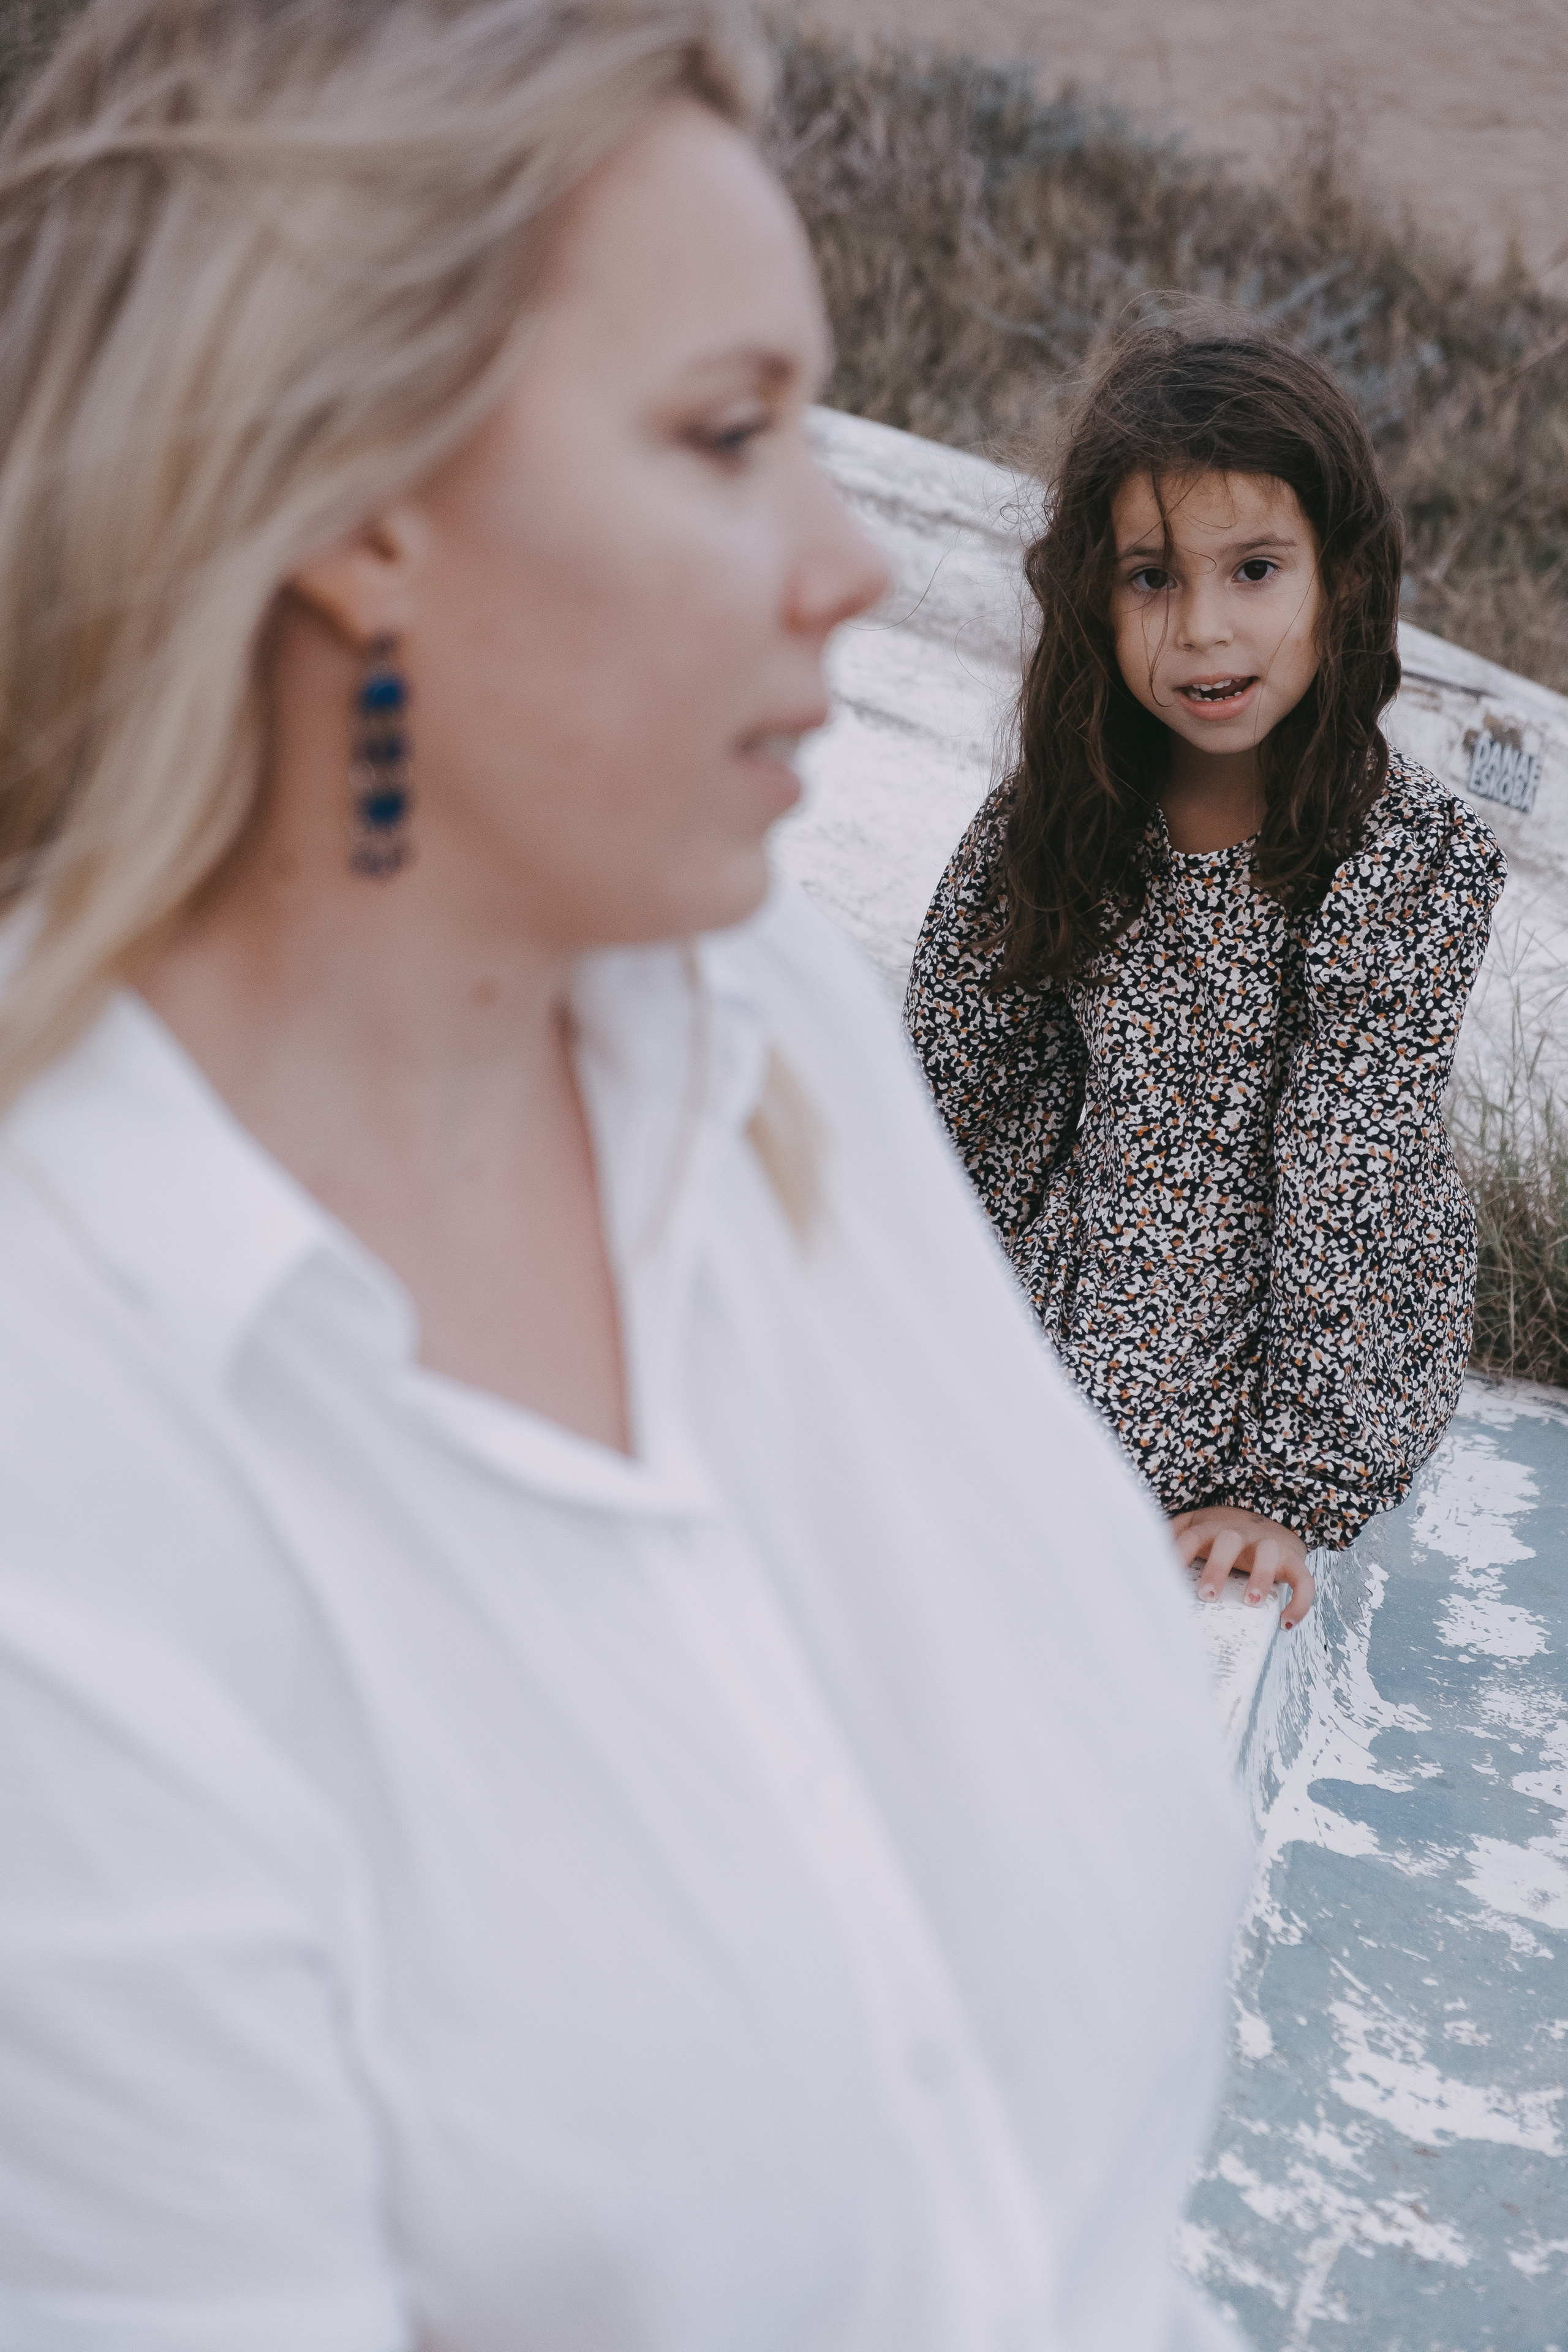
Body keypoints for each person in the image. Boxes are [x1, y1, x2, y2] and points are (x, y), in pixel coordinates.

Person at [0, 6, 1253, 2348]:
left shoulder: (759, 1028)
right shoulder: (68, 1458)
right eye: (725, 437)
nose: (857, 565)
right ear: (359, 499)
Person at [907, 326, 1507, 1635]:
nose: (1202, 629)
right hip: (1090, 1268)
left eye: (1252, 570)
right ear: (1093, 597)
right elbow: (962, 1089)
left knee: (1114, 1447)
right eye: (1149, 579)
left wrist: (1287, 1488)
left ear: (1341, 583)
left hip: (1299, 1338)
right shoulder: (1060, 817)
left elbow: (1348, 1173)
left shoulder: (1400, 861)